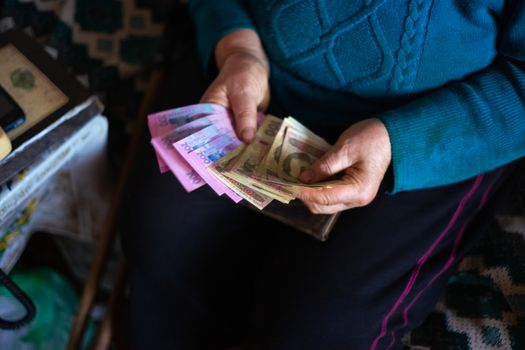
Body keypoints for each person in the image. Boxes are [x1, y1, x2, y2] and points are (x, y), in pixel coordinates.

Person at [121, 1, 525, 349]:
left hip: (433, 129)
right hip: (253, 69)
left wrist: (399, 143)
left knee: (321, 326)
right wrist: (236, 47)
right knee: (161, 232)